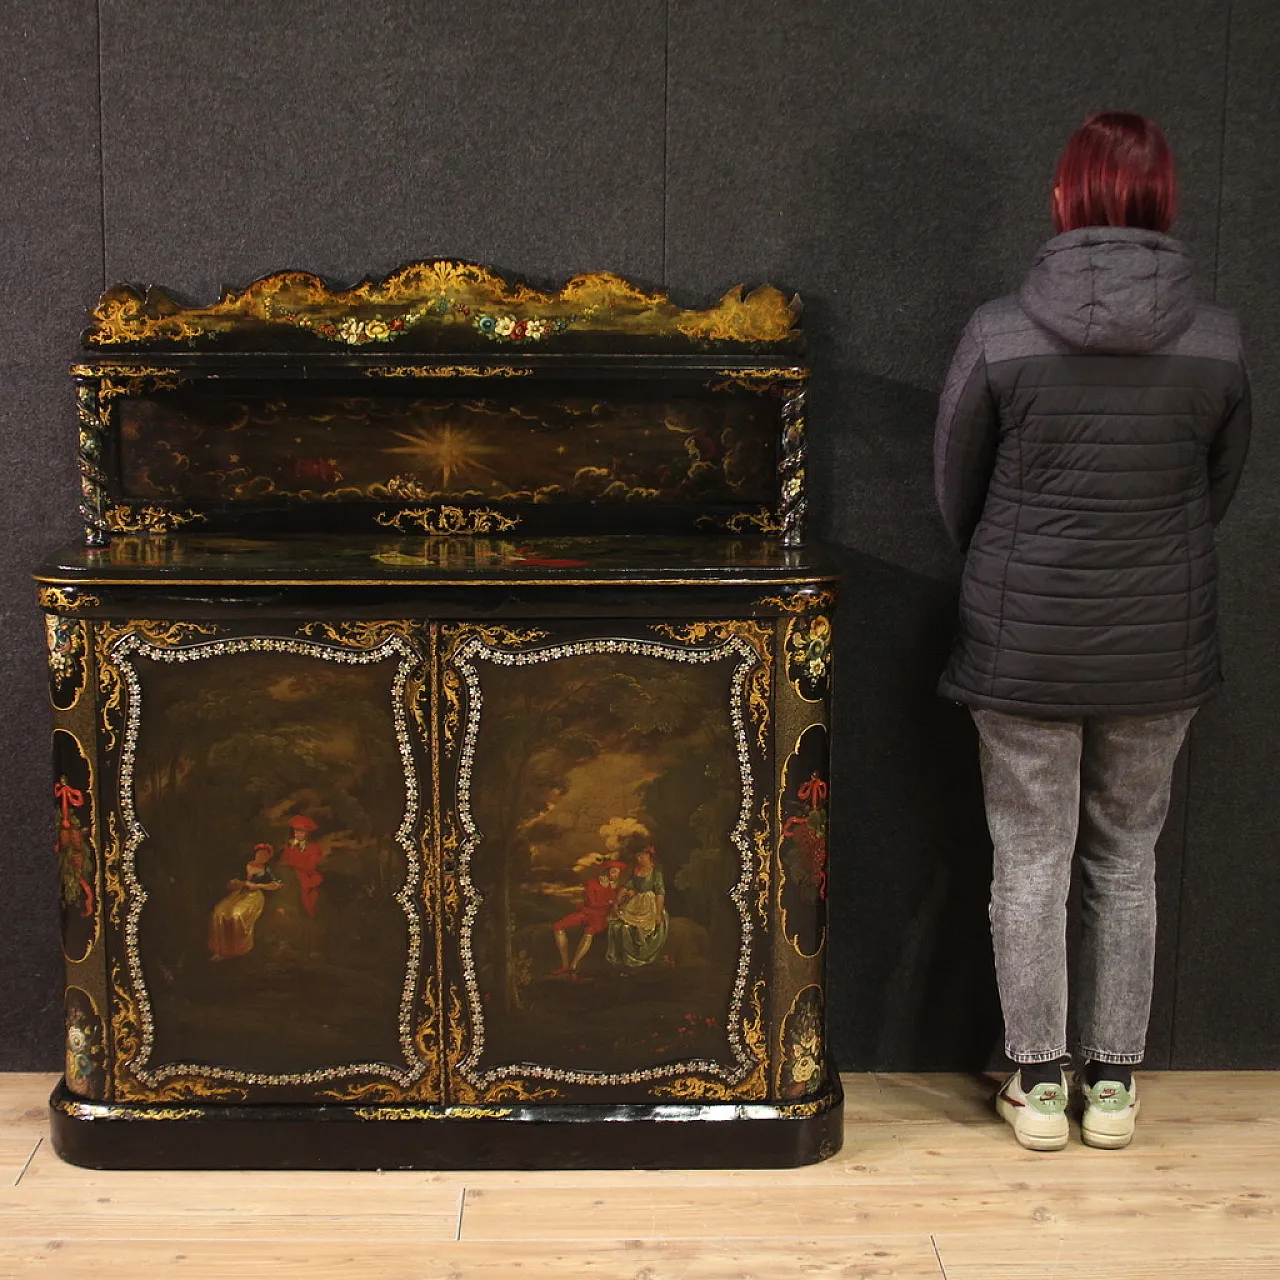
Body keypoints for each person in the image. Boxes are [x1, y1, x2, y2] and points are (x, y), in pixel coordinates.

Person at [934, 112, 1250, 1151]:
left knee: (1027, 855)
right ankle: (1110, 1087)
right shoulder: (1216, 337)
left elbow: (953, 487)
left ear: (1061, 199)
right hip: (1158, 642)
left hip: (1019, 637)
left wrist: (1012, 565)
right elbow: (1215, 488)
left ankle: (1034, 1080)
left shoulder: (996, 331)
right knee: (1124, 858)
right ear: (1163, 197)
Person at [551, 856, 627, 980]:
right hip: (587, 912)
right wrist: (611, 901)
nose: (616, 875)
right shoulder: (591, 883)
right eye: (614, 872)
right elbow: (592, 903)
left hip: (602, 916)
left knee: (589, 932)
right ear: (606, 871)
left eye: (618, 872)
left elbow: (620, 902)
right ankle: (565, 965)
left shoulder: (616, 887)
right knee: (557, 926)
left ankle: (573, 966)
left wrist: (615, 902)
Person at [208, 843, 282, 960]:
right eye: (260, 853)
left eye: (265, 855)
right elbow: (231, 883)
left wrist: (259, 885)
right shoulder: (243, 865)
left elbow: (276, 885)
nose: (262, 856)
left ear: (268, 858)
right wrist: (240, 883)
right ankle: (221, 950)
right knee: (219, 912)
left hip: (254, 897)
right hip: (237, 894)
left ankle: (238, 949)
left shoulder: (267, 870)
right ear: (256, 854)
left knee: (236, 915)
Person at [607, 844, 669, 970]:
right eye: (637, 855)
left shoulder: (655, 873)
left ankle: (640, 955)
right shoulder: (637, 870)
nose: (638, 858)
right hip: (636, 902)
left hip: (649, 904)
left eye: (641, 855)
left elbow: (660, 893)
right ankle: (624, 957)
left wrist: (657, 913)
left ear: (649, 856)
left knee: (640, 927)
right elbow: (627, 886)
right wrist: (616, 902)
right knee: (617, 923)